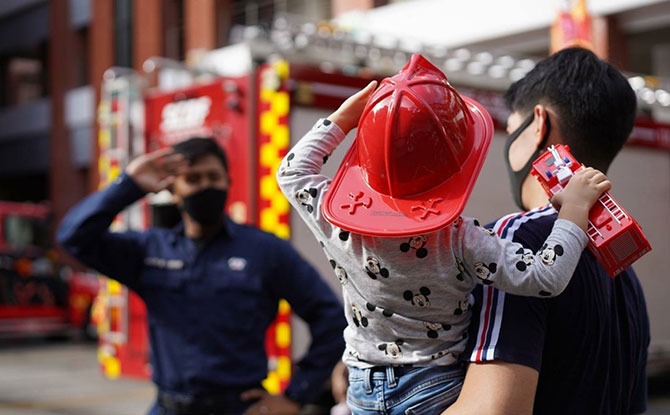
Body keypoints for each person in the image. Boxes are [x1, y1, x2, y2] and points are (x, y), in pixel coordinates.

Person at [276, 54, 611, 415]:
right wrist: (574, 211)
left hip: (361, 384)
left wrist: (344, 119)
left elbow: (292, 174)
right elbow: (546, 277)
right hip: (431, 385)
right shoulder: (461, 241)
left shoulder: (333, 215)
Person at [56, 136, 347, 415]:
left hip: (240, 407)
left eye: (213, 177)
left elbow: (332, 318)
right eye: (193, 179)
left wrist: (295, 396)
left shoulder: (266, 251)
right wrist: (129, 185)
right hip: (169, 407)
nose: (205, 186)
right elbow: (74, 237)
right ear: (173, 190)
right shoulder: (147, 251)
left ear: (227, 182)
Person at [443, 47, 651, 415]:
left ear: (538, 123)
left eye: (511, 129)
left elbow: (493, 410)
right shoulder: (624, 269)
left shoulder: (514, 241)